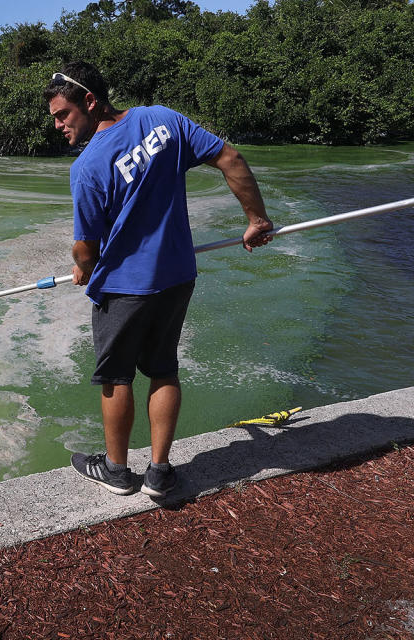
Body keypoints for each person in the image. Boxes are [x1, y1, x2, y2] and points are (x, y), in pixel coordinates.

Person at [43, 61, 274, 498]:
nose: (57, 125)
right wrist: (256, 219)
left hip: (125, 288)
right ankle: (160, 472)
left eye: (62, 114)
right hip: (176, 276)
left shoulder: (88, 166)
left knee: (117, 378)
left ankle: (115, 470)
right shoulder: (164, 120)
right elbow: (230, 158)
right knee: (164, 370)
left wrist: (82, 267)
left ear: (89, 101)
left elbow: (86, 249)